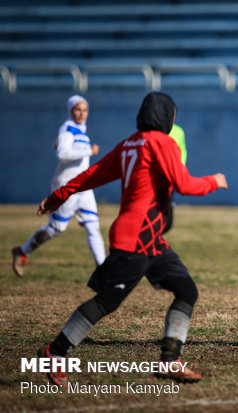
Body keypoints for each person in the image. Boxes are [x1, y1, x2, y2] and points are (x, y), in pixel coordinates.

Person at [35, 92, 228, 386]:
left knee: (186, 290)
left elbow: (90, 175)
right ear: (165, 115)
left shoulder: (129, 144)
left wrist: (55, 198)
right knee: (106, 303)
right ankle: (56, 352)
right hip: (136, 239)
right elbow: (185, 185)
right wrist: (214, 180)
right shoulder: (162, 142)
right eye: (172, 114)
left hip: (151, 239)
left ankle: (170, 361)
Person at [11, 95, 106, 277]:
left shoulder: (81, 131)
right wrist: (89, 151)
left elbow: (61, 147)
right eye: (78, 109)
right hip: (67, 187)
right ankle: (22, 251)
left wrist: (60, 145)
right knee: (56, 229)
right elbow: (62, 154)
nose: (81, 113)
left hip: (83, 188)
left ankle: (102, 271)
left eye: (85, 110)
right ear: (70, 110)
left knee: (93, 226)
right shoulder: (67, 128)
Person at [163, 123, 187, 234]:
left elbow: (183, 152)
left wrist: (178, 171)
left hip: (170, 178)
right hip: (156, 178)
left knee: (167, 222)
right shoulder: (154, 133)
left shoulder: (178, 131)